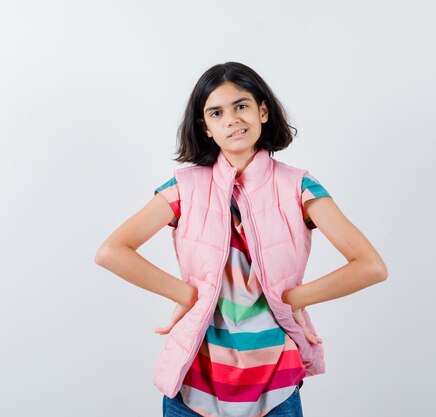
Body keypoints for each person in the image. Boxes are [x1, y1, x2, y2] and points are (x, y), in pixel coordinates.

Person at [94, 61, 388, 417]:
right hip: (193, 384)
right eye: (217, 112)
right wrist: (186, 294)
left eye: (242, 105)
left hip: (275, 384)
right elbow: (112, 251)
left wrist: (294, 297)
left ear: (263, 111)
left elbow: (370, 266)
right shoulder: (184, 188)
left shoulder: (298, 186)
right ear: (205, 128)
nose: (232, 119)